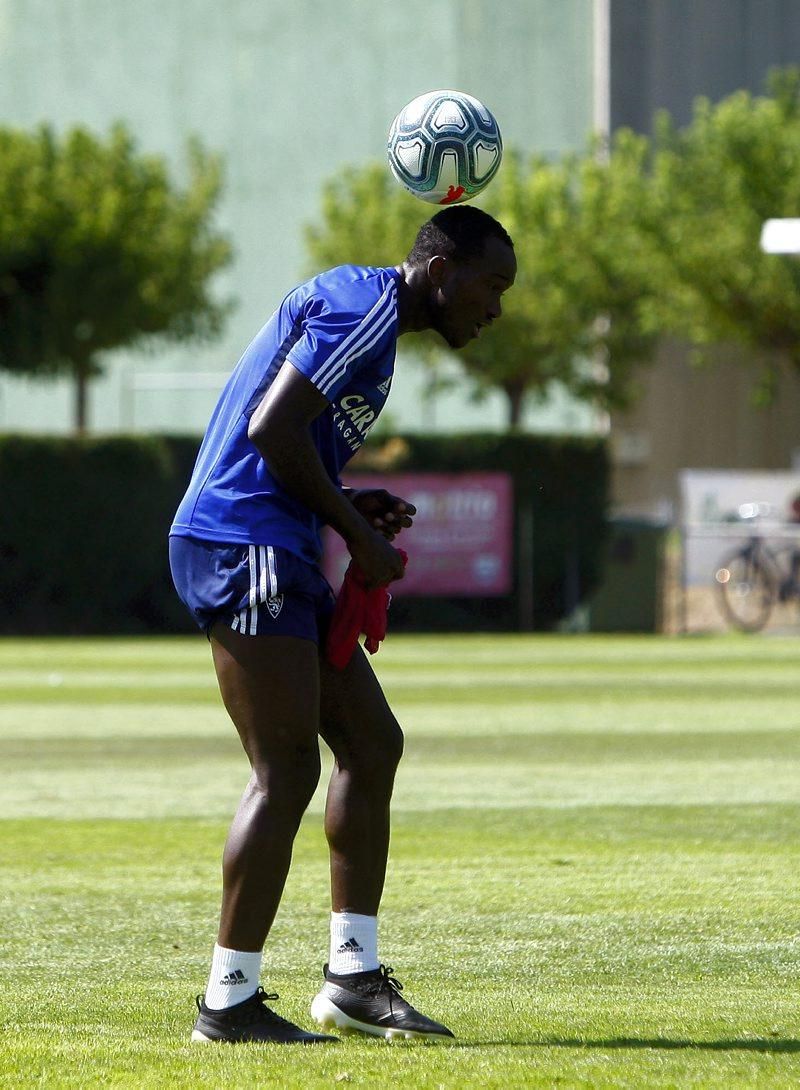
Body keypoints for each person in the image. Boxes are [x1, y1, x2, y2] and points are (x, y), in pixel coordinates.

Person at [168, 204, 516, 1044]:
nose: (496, 308)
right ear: (441, 273)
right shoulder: (368, 310)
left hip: (269, 537)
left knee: (371, 742)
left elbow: (287, 445)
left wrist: (350, 504)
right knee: (283, 771)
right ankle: (228, 1002)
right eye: (491, 286)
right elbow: (270, 429)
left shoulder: (369, 314)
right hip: (240, 540)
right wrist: (357, 536)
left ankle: (353, 979)